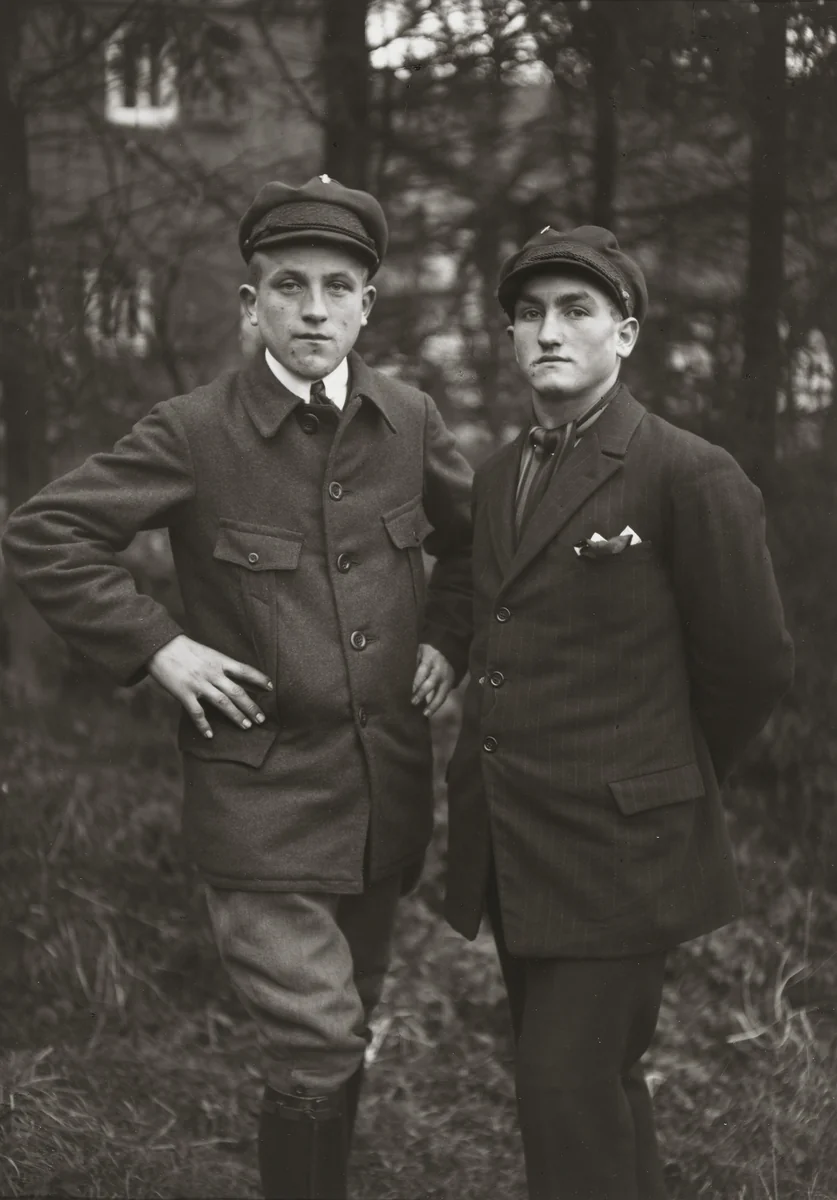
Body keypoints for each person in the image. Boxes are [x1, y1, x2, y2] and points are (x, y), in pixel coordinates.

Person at [2, 175, 473, 1200]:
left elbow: (481, 544)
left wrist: (448, 636)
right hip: (257, 796)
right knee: (316, 1034)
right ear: (251, 304)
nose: (314, 309)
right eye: (289, 286)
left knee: (350, 1015)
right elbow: (45, 533)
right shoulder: (194, 429)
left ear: (367, 305)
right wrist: (159, 647)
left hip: (383, 793)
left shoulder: (408, 418)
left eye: (337, 288)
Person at [443, 224, 793, 1200]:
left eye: (575, 310)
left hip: (623, 848)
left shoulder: (688, 471)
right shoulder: (493, 477)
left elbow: (753, 664)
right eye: (529, 314)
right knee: (596, 1085)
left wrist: (663, 776)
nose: (548, 331)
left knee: (562, 1088)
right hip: (518, 843)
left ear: (625, 333)